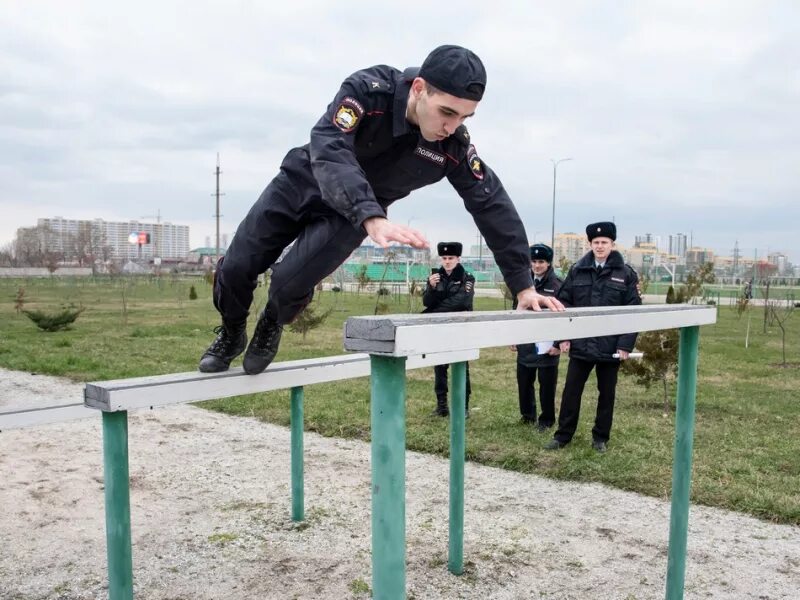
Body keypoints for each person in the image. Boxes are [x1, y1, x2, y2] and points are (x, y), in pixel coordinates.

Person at [199, 44, 563, 374]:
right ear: (419, 88)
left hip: (349, 219)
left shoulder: (450, 145)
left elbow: (491, 204)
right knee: (236, 267)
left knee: (288, 284)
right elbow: (330, 146)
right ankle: (232, 332)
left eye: (465, 118)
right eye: (446, 112)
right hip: (303, 184)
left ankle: (272, 322)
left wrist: (523, 286)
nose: (452, 126)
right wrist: (371, 213)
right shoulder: (369, 90)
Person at [545, 222, 641, 453]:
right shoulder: (578, 270)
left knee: (606, 395)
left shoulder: (625, 274)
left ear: (612, 244)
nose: (600, 246)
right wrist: (563, 338)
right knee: (571, 392)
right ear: (590, 244)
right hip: (581, 345)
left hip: (611, 347)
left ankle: (600, 438)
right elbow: (564, 305)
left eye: (604, 242)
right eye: (596, 243)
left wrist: (625, 345)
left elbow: (633, 312)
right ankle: (563, 436)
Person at [511, 244, 562, 431]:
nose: (537, 265)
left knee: (547, 385)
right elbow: (516, 310)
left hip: (547, 345)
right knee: (524, 382)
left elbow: (563, 317)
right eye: (533, 261)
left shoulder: (557, 285)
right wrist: (514, 337)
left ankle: (546, 420)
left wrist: (557, 343)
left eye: (541, 262)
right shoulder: (523, 286)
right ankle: (527, 415)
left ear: (548, 263)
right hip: (526, 341)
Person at [423, 242, 474, 417]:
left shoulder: (467, 278)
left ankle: (463, 407)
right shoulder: (435, 277)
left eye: (450, 258)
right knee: (439, 367)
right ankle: (441, 405)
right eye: (444, 258)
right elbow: (426, 302)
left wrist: (433, 312)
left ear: (458, 258)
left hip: (460, 329)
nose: (447, 261)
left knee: (461, 366)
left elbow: (462, 302)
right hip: (440, 329)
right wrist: (430, 287)